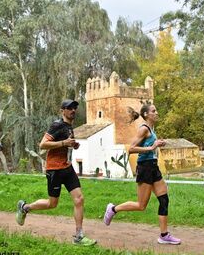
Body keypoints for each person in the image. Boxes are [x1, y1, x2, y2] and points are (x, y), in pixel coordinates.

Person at [15, 99, 96, 246]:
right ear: (62, 110)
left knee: (79, 199)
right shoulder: (57, 125)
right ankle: (25, 208)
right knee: (52, 204)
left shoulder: (69, 127)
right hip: (54, 170)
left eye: (74, 108)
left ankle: (79, 236)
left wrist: (73, 145)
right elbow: (43, 144)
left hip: (67, 167)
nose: (73, 110)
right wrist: (64, 143)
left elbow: (65, 144)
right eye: (69, 108)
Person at [103, 103, 181, 245]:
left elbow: (149, 146)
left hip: (153, 167)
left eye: (156, 110)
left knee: (164, 200)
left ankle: (164, 235)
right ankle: (113, 209)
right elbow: (131, 149)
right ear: (146, 114)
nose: (157, 113)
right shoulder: (144, 129)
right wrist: (152, 147)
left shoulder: (151, 129)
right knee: (141, 205)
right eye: (154, 111)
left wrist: (157, 144)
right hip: (144, 168)